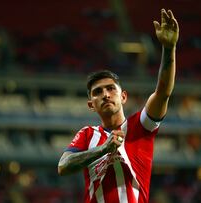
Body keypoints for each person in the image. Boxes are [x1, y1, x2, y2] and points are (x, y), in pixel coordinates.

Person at [58, 8, 179, 203]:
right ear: (91, 105)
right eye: (98, 92)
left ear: (123, 96)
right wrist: (104, 149)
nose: (105, 95)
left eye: (110, 89)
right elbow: (63, 166)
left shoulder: (141, 126)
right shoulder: (88, 134)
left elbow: (163, 92)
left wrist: (169, 48)